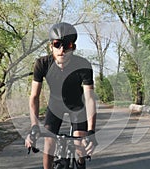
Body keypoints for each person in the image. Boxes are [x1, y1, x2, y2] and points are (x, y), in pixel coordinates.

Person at [25, 22, 98, 169]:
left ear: (73, 47)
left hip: (76, 106)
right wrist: (34, 127)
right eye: (57, 44)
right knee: (49, 143)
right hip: (55, 105)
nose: (62, 49)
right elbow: (34, 97)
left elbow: (89, 99)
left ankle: (81, 162)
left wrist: (91, 132)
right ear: (51, 46)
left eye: (67, 45)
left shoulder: (83, 65)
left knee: (79, 143)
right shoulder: (42, 64)